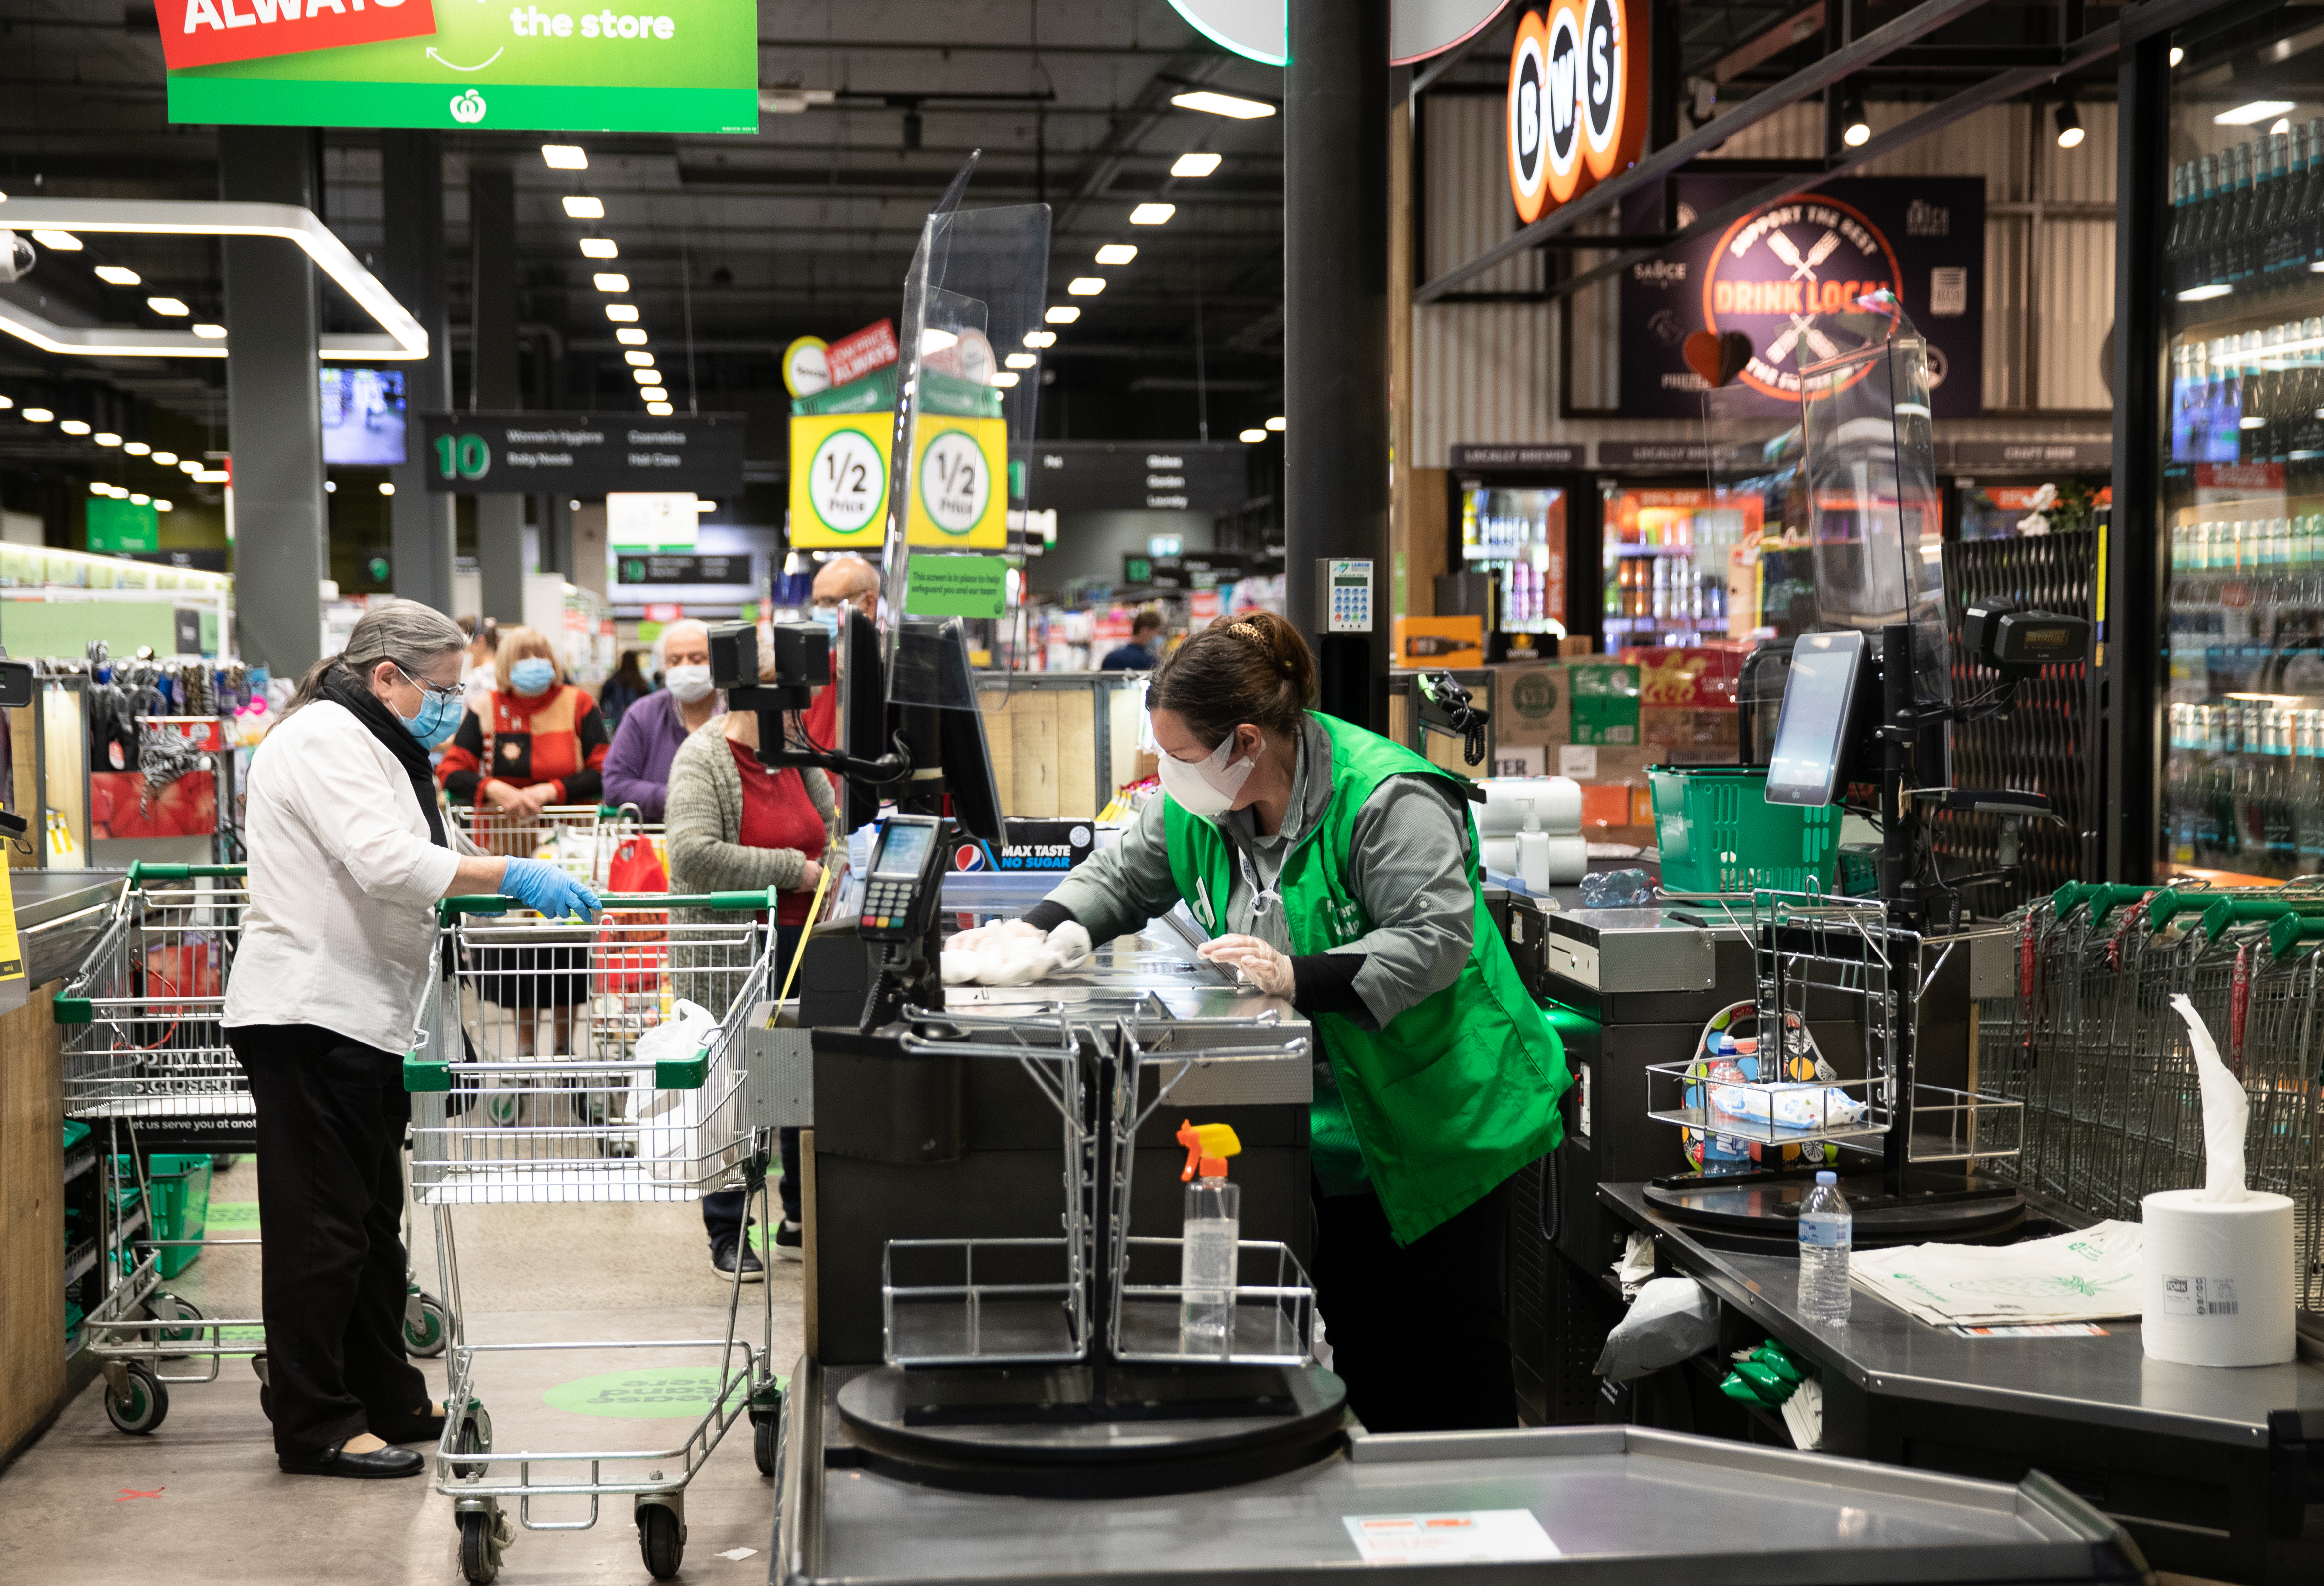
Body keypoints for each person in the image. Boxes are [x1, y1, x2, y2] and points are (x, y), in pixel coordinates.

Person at [965, 611, 1568, 1433]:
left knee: (1437, 1362)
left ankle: (1465, 1539)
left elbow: (1433, 940)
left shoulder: (1384, 797)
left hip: (1439, 1117)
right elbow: (1122, 873)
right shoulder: (1200, 801)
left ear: (1244, 742)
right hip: (1326, 1121)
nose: (1167, 775)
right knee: (1351, 1349)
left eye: (1178, 757)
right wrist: (1041, 929)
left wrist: (1296, 975)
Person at [223, 601, 599, 1479]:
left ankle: (383, 1393)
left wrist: (502, 885)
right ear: (385, 675)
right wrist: (510, 872)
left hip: (363, 1016)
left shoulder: (382, 740)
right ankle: (314, 1421)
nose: (454, 703)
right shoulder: (323, 737)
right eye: (442, 686)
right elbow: (386, 862)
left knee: (369, 1224)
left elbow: (426, 851)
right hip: (307, 1015)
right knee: (322, 1232)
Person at [666, 701, 839, 1276]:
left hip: (800, 941)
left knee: (792, 1085)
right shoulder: (704, 757)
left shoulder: (792, 757)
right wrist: (794, 870)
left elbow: (828, 826)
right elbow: (693, 853)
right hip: (733, 954)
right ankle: (729, 1230)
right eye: (790, 708)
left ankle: (798, 1218)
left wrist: (836, 867)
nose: (799, 721)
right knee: (732, 1093)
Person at [436, 627, 611, 1061]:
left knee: (567, 948)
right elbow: (453, 771)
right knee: (518, 953)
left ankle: (566, 1050)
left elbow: (603, 768)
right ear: (504, 665)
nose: (534, 662)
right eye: (523, 655)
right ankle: (528, 1052)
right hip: (504, 853)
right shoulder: (486, 709)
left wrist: (549, 791)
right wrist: (495, 789)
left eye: (541, 653)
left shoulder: (578, 705)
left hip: (567, 846)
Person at [602, 620, 720, 819]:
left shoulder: (742, 714)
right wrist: (681, 798)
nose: (685, 667)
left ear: (719, 662)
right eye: (674, 661)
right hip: (658, 842)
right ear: (664, 667)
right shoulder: (643, 715)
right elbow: (615, 785)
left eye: (697, 659)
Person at [800, 554, 881, 757]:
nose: (819, 613)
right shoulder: (814, 677)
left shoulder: (892, 677)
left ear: (869, 605)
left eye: (829, 601)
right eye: (815, 604)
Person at [599, 648, 654, 736]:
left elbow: (603, 701)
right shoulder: (642, 682)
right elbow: (649, 704)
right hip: (638, 723)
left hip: (616, 724)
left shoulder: (613, 681)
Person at [1100, 608, 1166, 671]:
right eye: (1156, 632)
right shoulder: (1148, 662)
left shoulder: (1111, 657)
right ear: (1145, 631)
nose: (1157, 637)